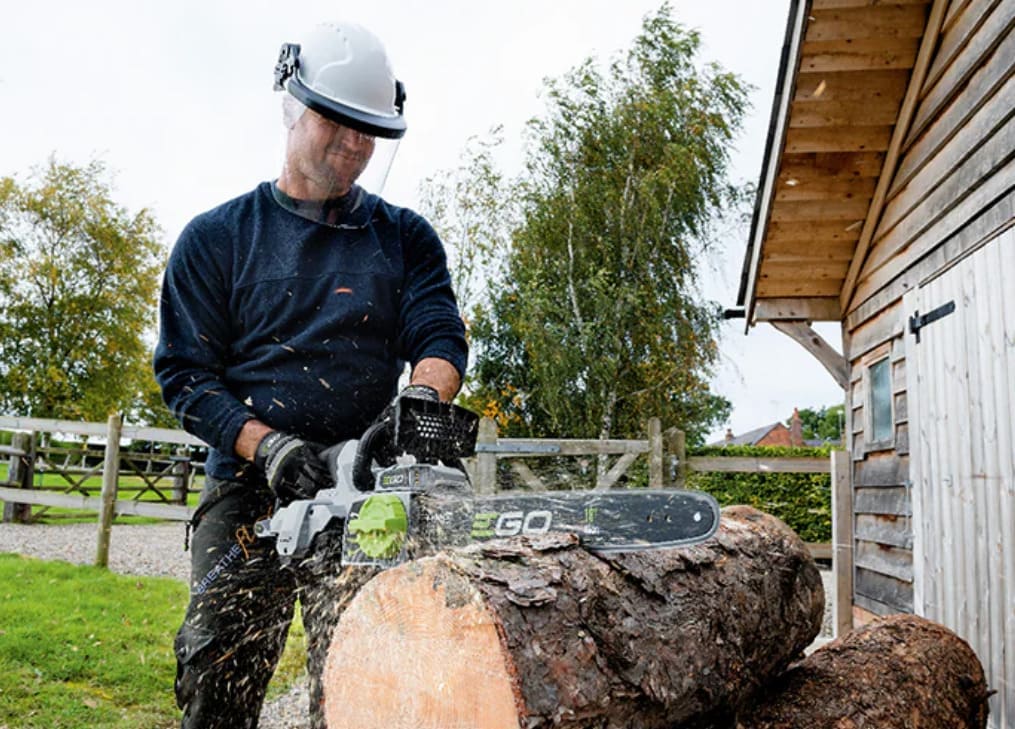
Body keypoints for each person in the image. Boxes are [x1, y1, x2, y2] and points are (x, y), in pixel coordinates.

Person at [154, 21, 467, 729]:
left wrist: (420, 399)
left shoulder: (405, 237)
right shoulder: (217, 238)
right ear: (292, 105)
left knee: (370, 680)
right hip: (249, 487)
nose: (355, 146)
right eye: (339, 124)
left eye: (368, 131)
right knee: (218, 670)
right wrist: (267, 445)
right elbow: (184, 374)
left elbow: (438, 334)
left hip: (365, 486)